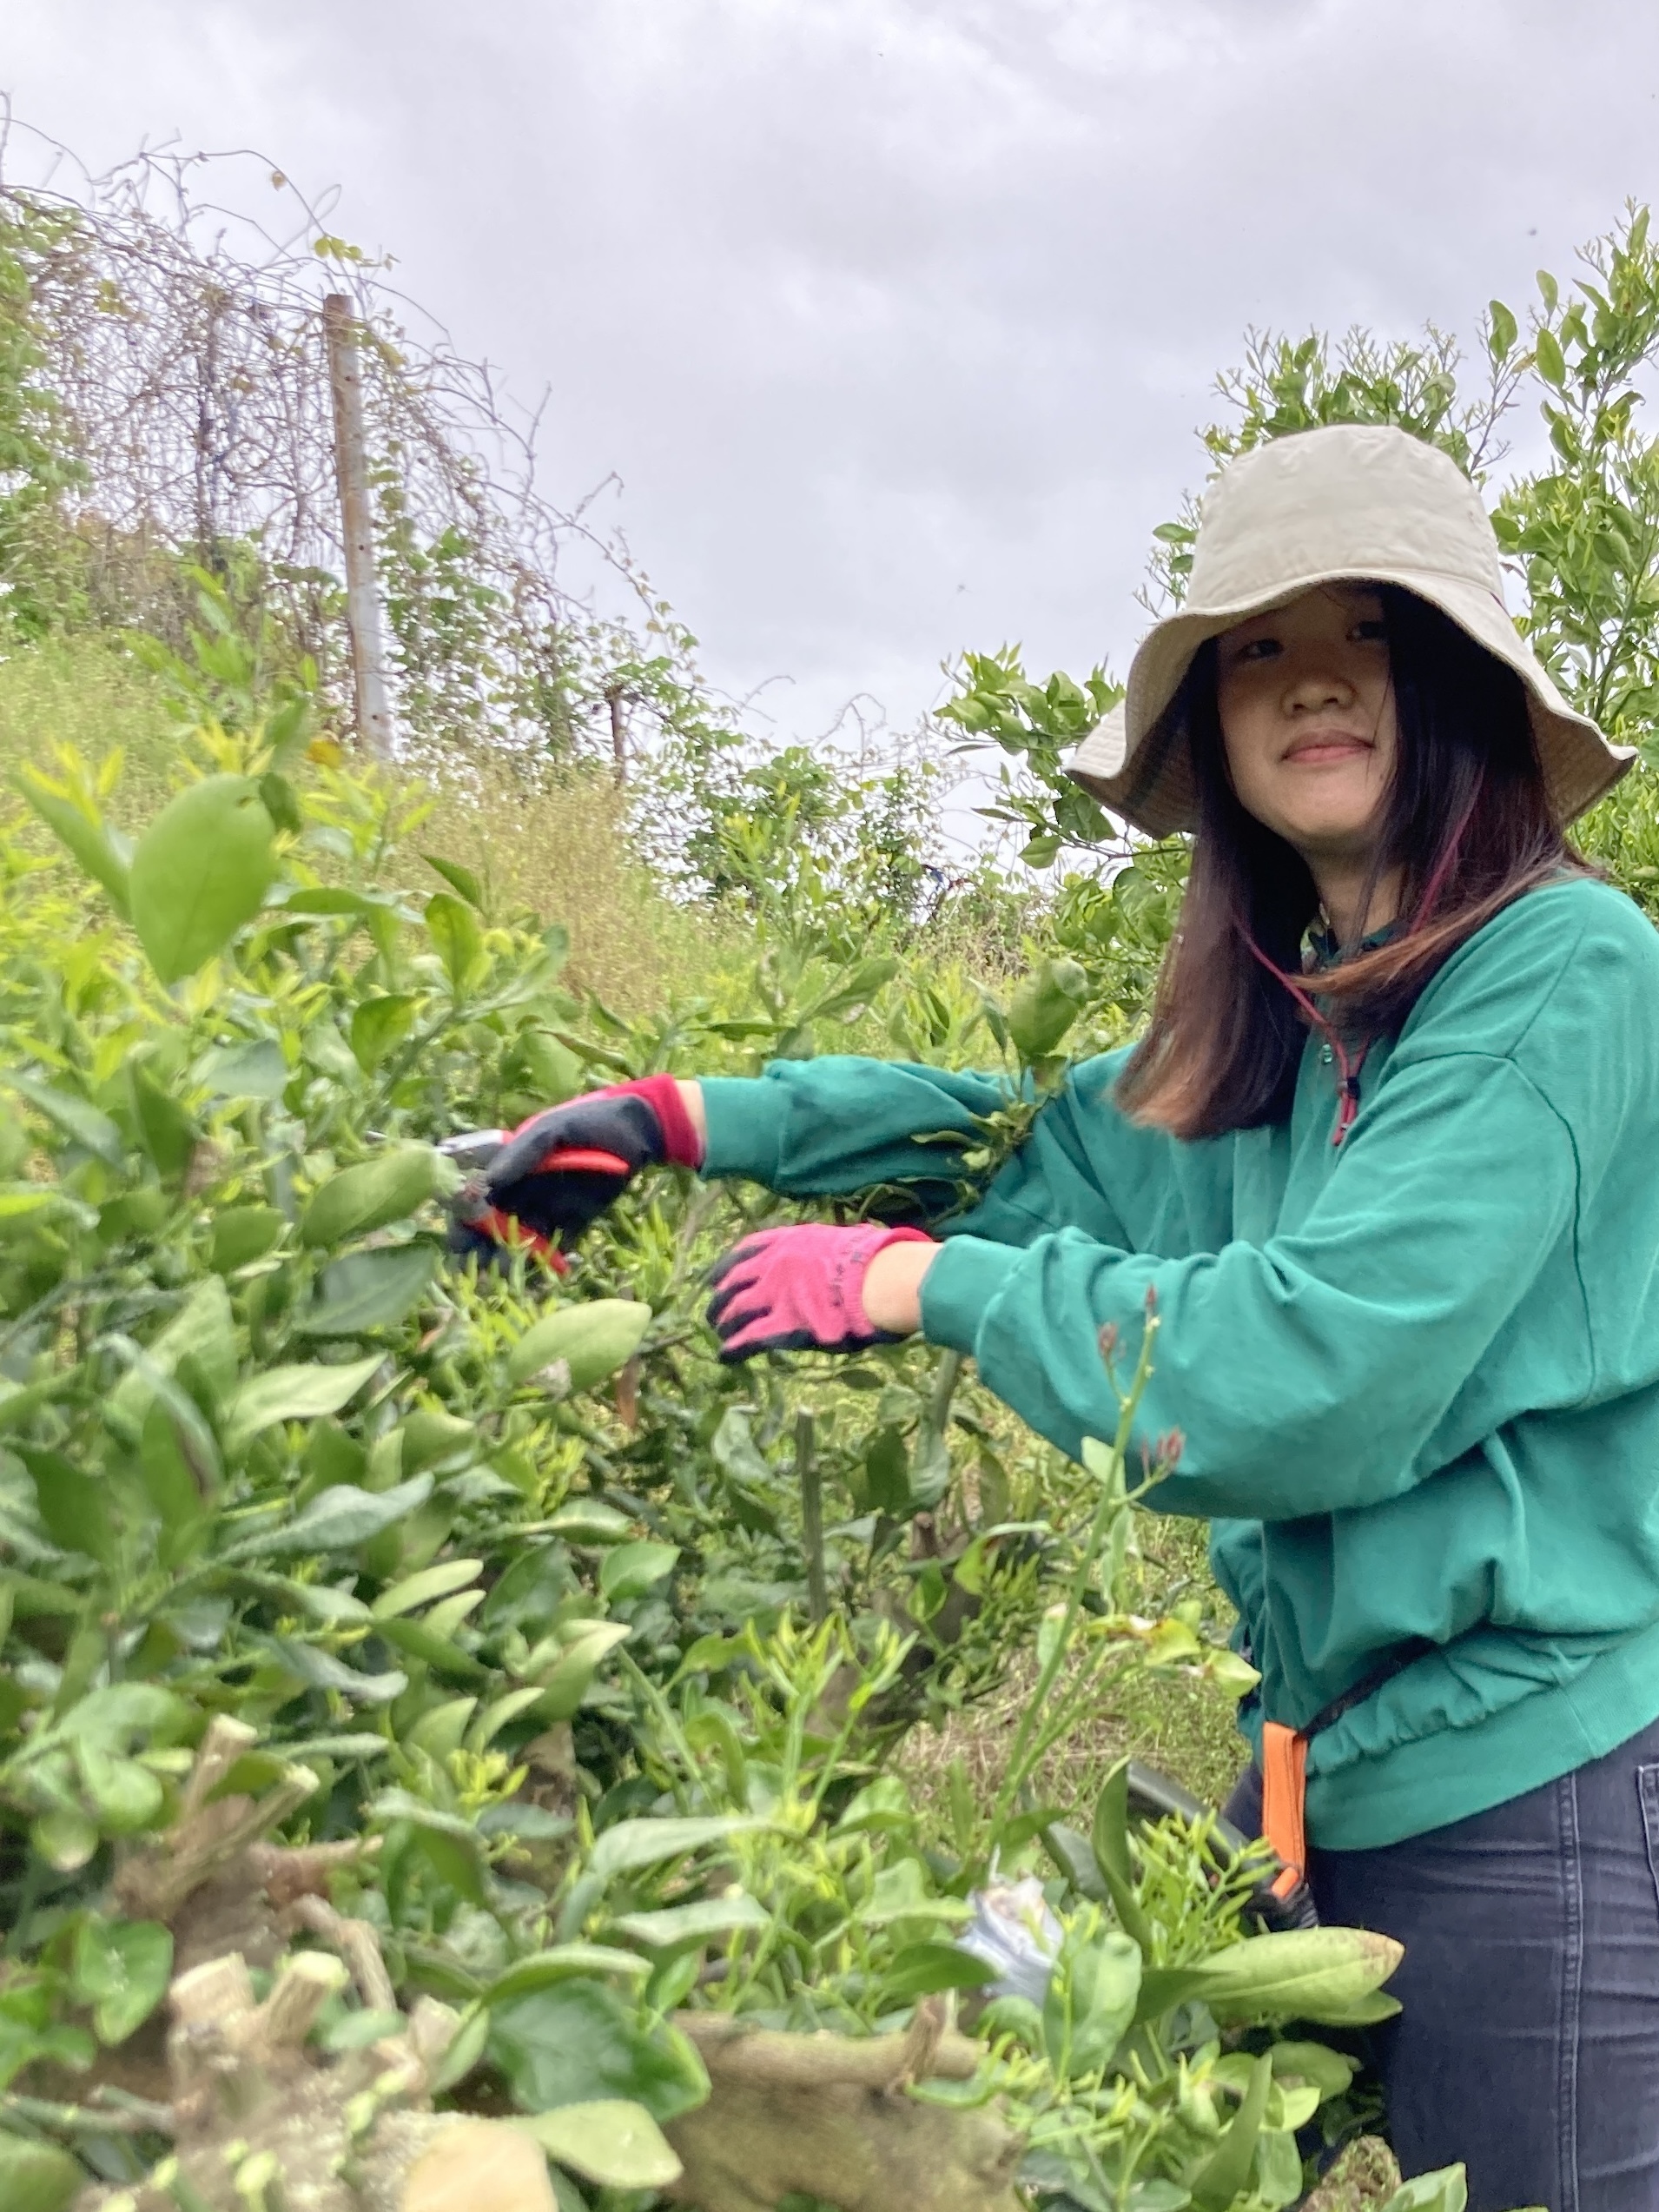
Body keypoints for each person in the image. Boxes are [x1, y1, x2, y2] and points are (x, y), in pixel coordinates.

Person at [478, 425, 1659, 2211]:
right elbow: (1012, 1137)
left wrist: (914, 1283)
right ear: (1212, 723)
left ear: (1464, 690)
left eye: (1371, 629)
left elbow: (1309, 1371)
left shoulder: (1563, 972)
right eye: (1256, 644)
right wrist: (684, 1118)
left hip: (1541, 1789)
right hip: (1344, 1769)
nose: (1311, 675)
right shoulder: (1301, 1026)